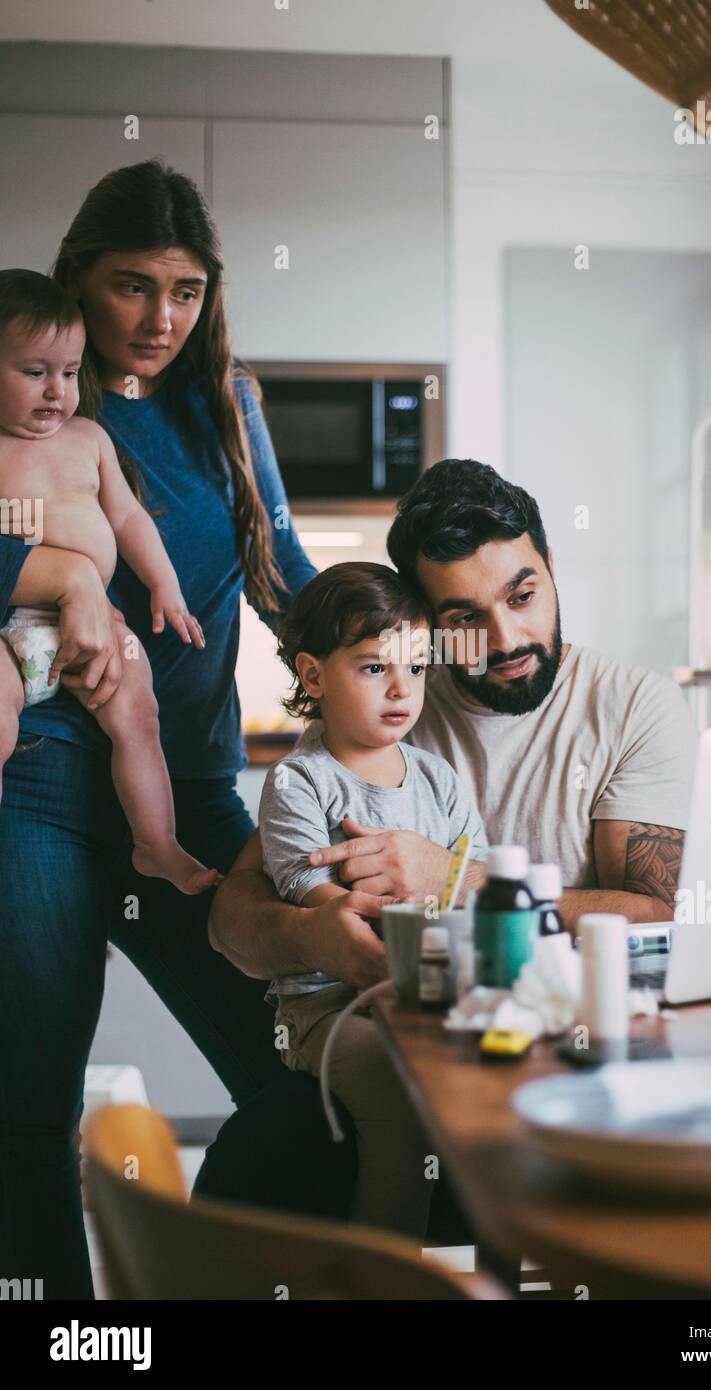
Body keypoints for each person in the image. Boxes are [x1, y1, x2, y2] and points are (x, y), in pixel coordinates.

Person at [0, 159, 338, 1300]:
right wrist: (67, 579)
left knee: (305, 1078)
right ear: (79, 281)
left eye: (185, 289)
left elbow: (280, 567)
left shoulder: (226, 400)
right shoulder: (33, 386)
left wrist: (392, 643)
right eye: (132, 285)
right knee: (29, 1123)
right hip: (41, 793)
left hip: (188, 797)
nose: (159, 318)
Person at [209, 459, 698, 987]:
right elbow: (230, 920)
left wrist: (458, 880)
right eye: (466, 618)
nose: (506, 639)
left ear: (551, 568)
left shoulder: (635, 707)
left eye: (523, 597)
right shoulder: (386, 707)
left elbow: (665, 919)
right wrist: (312, 937)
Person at [259, 562, 486, 1236]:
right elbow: (312, 893)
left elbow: (469, 879)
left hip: (429, 990)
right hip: (329, 1009)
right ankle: (384, 1276)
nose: (401, 689)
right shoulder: (301, 782)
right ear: (312, 675)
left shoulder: (439, 780)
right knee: (396, 1095)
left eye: (415, 669)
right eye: (372, 668)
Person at [0, 269, 219, 893]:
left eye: (69, 373)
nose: (56, 392)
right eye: (34, 372)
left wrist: (164, 585)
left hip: (104, 627)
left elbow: (127, 517)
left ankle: (157, 845)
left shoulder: (89, 438)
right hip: (11, 630)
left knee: (139, 716)